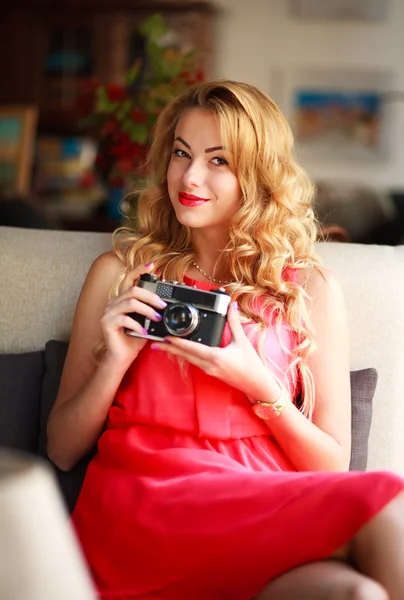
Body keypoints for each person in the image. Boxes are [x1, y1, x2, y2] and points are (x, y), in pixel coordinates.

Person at [47, 80, 404, 600]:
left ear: (258, 176)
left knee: (357, 592)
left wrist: (257, 384)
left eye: (219, 161)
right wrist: (115, 361)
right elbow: (60, 449)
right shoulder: (119, 275)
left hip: (264, 506)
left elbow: (332, 466)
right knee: (387, 510)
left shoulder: (307, 290)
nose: (190, 177)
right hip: (147, 509)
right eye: (181, 154)